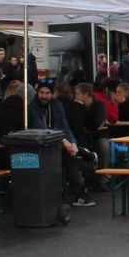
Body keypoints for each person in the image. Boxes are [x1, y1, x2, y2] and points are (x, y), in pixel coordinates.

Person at [31, 78, 92, 207]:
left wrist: (73, 142)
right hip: (39, 145)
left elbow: (64, 125)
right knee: (69, 156)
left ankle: (79, 192)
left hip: (56, 144)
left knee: (70, 155)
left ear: (52, 93)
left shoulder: (57, 105)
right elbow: (40, 128)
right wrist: (64, 140)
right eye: (42, 92)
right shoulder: (32, 107)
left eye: (47, 93)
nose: (44, 96)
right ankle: (79, 193)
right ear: (37, 92)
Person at [66, 82, 108, 190]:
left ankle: (101, 178)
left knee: (103, 146)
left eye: (78, 94)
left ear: (86, 94)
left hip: (98, 135)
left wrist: (82, 110)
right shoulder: (75, 106)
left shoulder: (98, 105)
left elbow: (95, 123)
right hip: (82, 136)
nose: (76, 96)